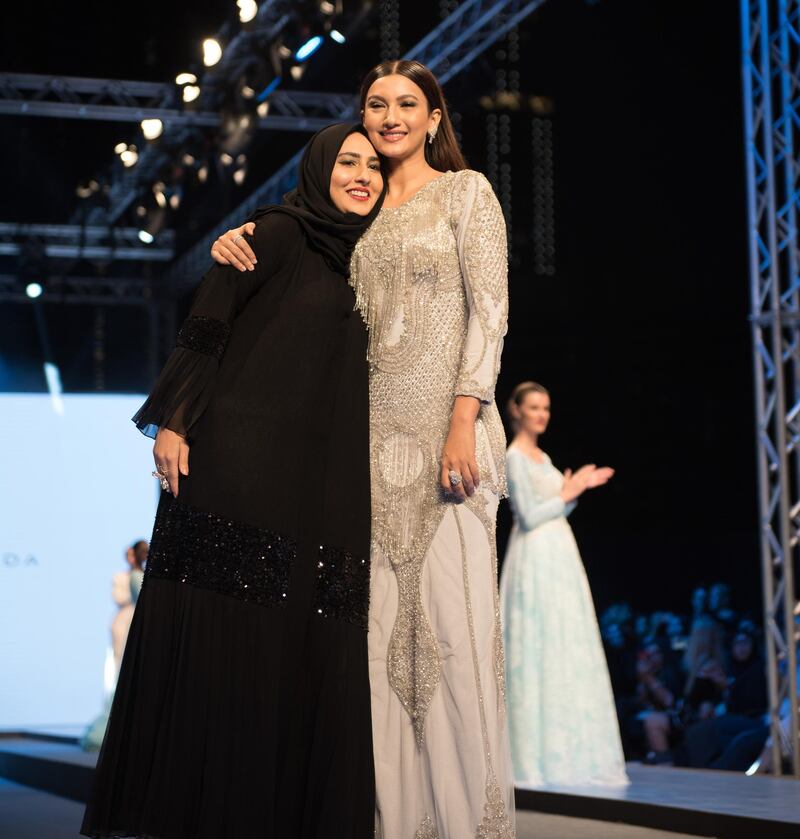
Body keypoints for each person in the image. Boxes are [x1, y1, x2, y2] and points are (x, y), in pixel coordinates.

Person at [213, 59, 514, 839]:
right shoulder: (364, 213)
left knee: (455, 645)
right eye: (375, 104)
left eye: (405, 104)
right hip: (370, 457)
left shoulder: (467, 194)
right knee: (384, 656)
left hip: (453, 447)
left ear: (434, 118)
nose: (388, 117)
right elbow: (298, 247)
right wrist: (237, 237)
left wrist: (462, 416)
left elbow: (492, 313)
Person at [81, 123, 386, 839]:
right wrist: (176, 420)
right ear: (318, 168)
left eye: (374, 165)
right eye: (347, 161)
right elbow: (210, 317)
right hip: (240, 464)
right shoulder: (281, 232)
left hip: (324, 474)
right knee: (231, 632)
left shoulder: (380, 255)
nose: (362, 175)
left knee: (304, 631)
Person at [498, 380, 628, 786]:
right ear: (516, 410)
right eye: (534, 407)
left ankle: (573, 755)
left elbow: (554, 510)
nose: (541, 415)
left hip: (557, 555)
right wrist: (568, 491)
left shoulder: (542, 456)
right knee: (538, 644)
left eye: (546, 408)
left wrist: (574, 491)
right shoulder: (515, 457)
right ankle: (532, 761)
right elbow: (529, 515)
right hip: (534, 556)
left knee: (564, 643)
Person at [81, 540, 148, 752]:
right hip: (124, 623)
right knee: (123, 671)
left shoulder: (140, 576)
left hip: (134, 621)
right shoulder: (126, 577)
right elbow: (120, 598)